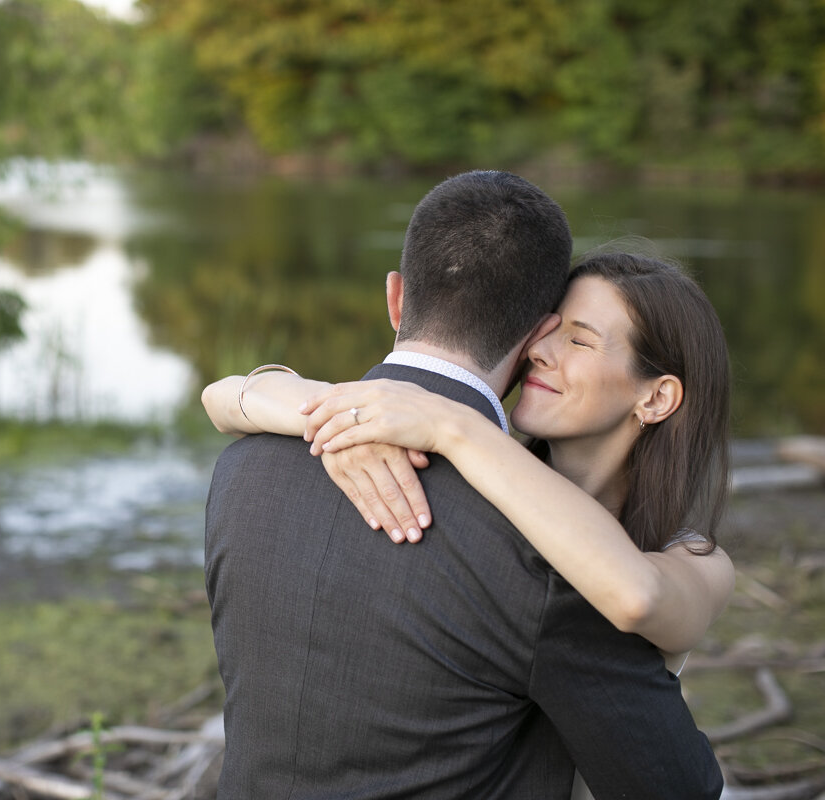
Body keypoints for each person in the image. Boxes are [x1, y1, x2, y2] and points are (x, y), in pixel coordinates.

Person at [202, 170, 725, 799]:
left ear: (396, 299)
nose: (544, 355)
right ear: (531, 330)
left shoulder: (244, 469)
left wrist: (449, 425)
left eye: (579, 339)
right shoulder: (531, 563)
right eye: (551, 333)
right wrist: (314, 406)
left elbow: (638, 595)